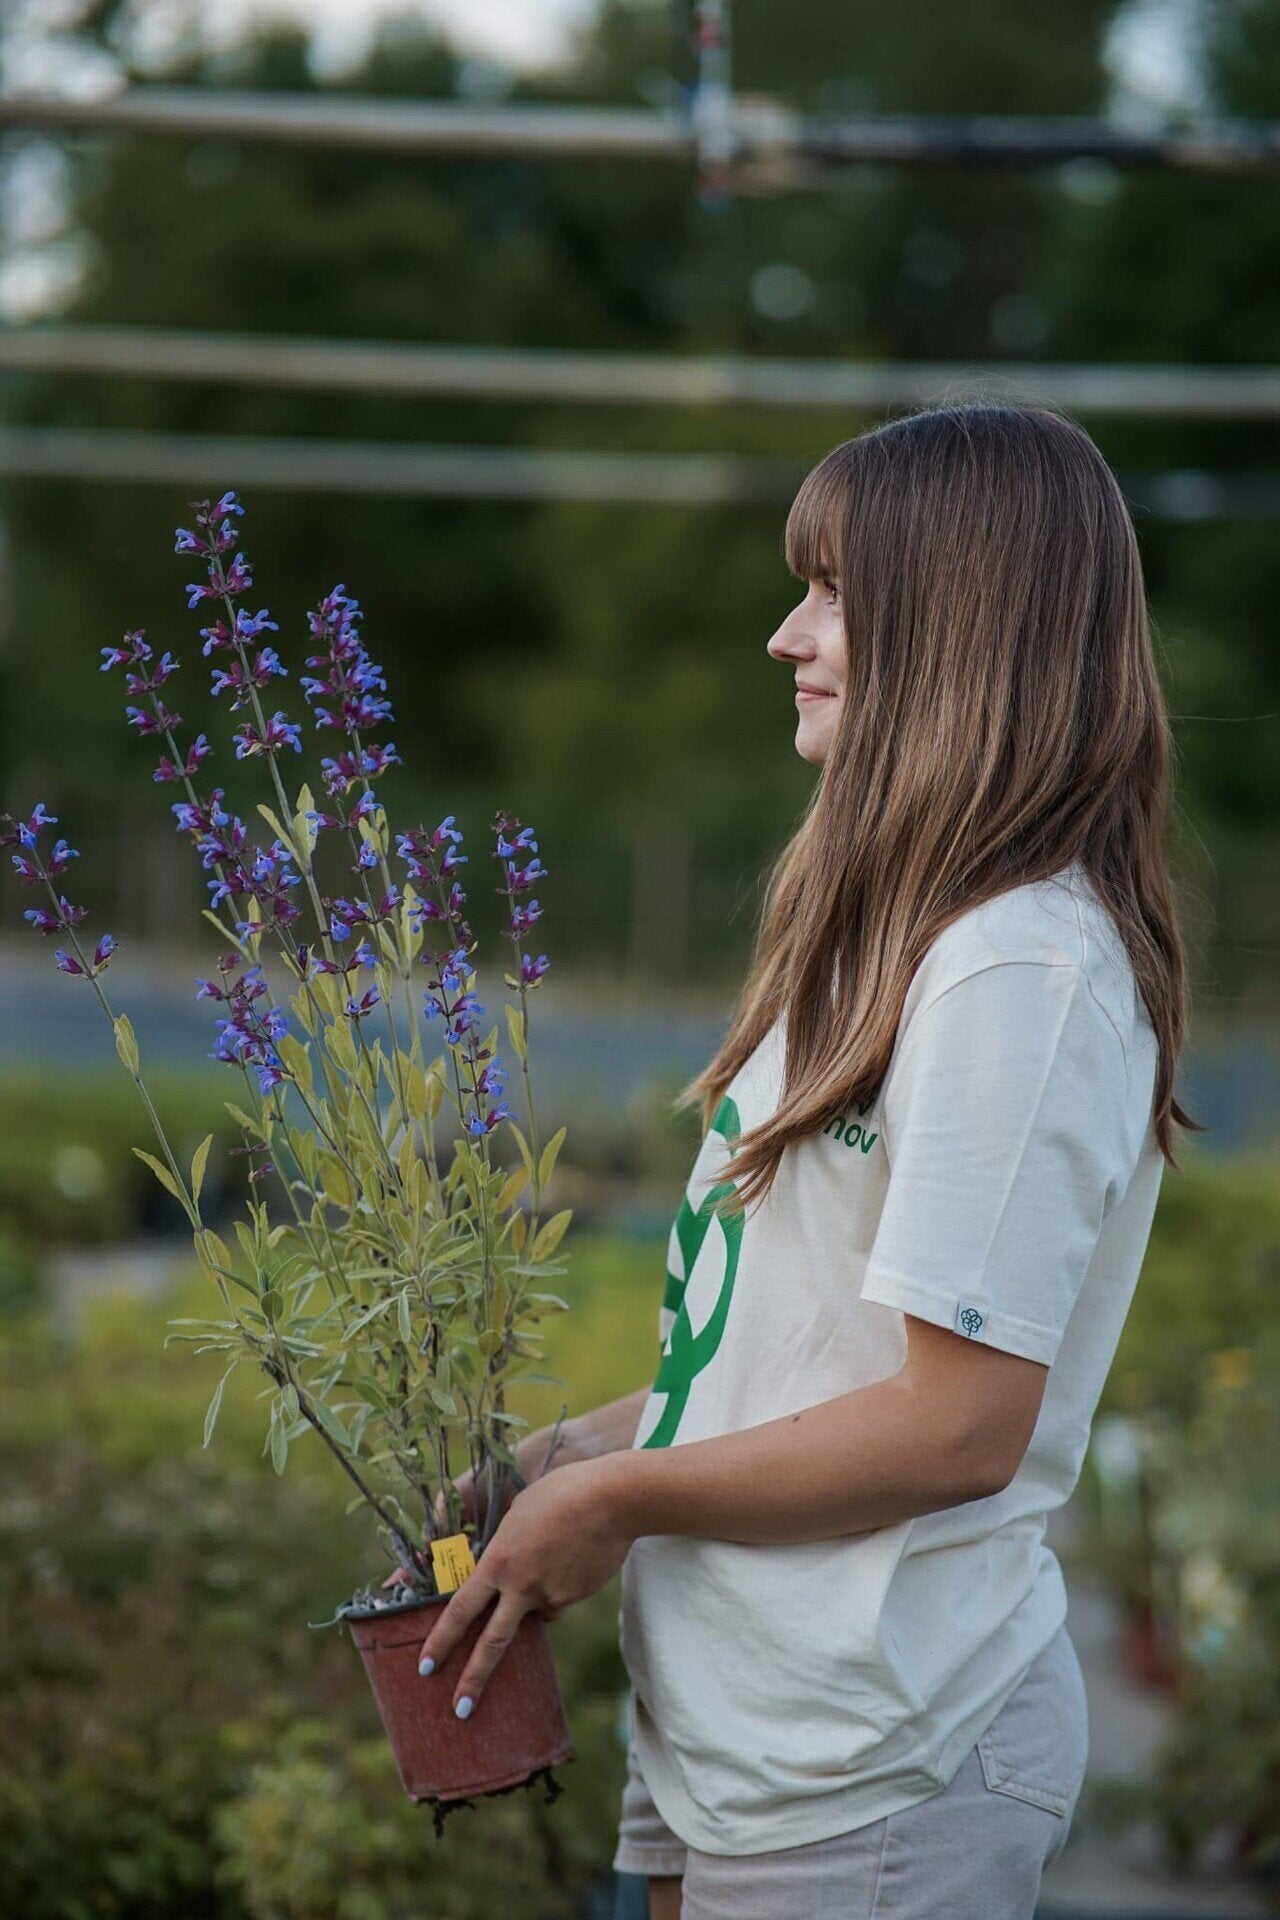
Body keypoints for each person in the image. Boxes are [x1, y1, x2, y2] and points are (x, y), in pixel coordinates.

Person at [403, 400, 1203, 1919]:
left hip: (879, 1760)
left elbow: (957, 1427)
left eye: (835, 593)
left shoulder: (1015, 976)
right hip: (742, 1727)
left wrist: (620, 1505)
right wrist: (583, 1453)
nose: (787, 633)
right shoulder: (889, 951)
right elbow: (814, 1350)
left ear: (961, 627)